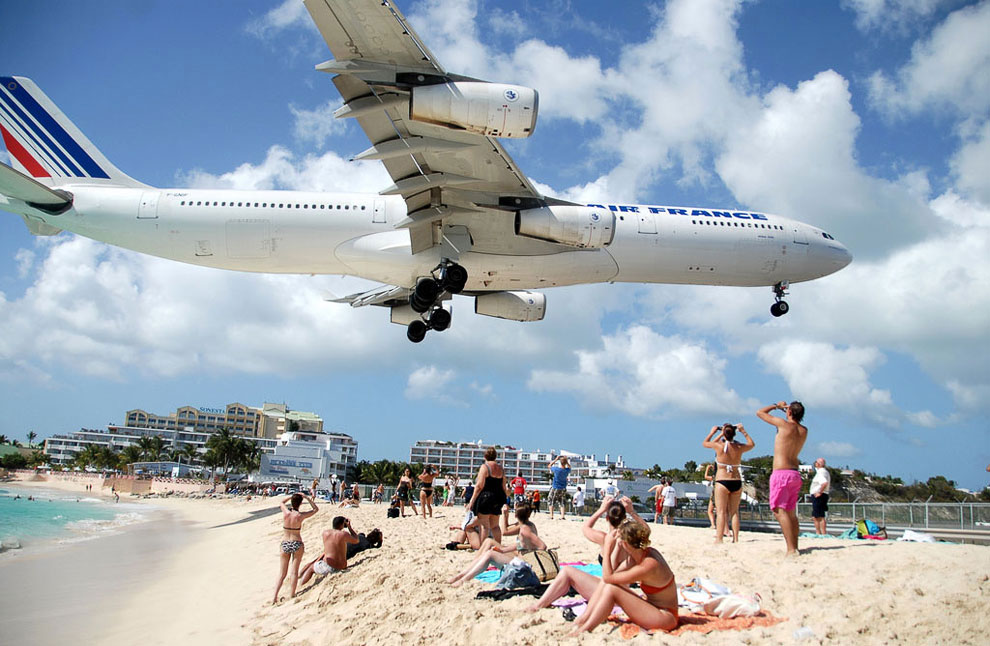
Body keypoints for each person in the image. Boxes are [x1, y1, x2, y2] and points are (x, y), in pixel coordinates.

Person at [527, 520, 678, 634]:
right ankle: (582, 619)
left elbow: (608, 578)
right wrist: (615, 548)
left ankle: (585, 628)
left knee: (612, 588)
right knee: (568, 570)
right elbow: (612, 574)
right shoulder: (638, 555)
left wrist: (608, 547)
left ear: (626, 543)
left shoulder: (648, 564)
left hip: (665, 617)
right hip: (651, 607)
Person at [447, 502, 546, 587]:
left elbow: (542, 546)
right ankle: (465, 572)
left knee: (490, 554)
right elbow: (520, 544)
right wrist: (503, 550)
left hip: (522, 563)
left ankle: (464, 579)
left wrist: (533, 559)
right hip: (519, 558)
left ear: (516, 515)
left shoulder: (525, 529)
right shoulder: (527, 525)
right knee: (488, 541)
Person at [757, 400, 808, 555]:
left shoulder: (784, 425)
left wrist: (776, 406)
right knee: (791, 512)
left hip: (781, 473)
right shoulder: (804, 430)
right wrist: (789, 410)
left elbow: (760, 413)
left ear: (790, 412)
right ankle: (795, 546)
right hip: (794, 473)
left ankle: (791, 549)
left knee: (780, 511)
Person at [703, 422, 755, 543]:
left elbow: (705, 443)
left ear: (724, 434)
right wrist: (743, 431)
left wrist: (713, 432)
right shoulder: (739, 447)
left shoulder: (719, 446)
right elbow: (752, 444)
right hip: (736, 480)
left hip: (722, 480)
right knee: (734, 512)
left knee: (721, 512)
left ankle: (720, 538)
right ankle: (735, 538)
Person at [273, 492, 319, 604]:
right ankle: (292, 594)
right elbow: (315, 509)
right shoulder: (300, 516)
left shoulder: (286, 513)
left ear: (292, 502)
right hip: (297, 542)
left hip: (285, 543)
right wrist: (307, 498)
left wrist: (292, 496)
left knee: (282, 573)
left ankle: (274, 597)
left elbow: (281, 502)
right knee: (294, 571)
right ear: (300, 503)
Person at [298, 516, 361, 586]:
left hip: (329, 566)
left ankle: (301, 585)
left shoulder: (325, 533)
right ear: (341, 525)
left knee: (311, 568)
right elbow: (356, 540)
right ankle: (301, 579)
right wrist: (350, 528)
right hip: (342, 566)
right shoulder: (343, 534)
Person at [465, 447, 509, 545]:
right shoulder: (501, 469)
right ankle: (498, 546)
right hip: (498, 497)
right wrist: (505, 501)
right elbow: (503, 486)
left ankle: (483, 547)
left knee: (484, 525)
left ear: (485, 456)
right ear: (495, 456)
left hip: (486, 498)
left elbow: (479, 486)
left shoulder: (485, 467)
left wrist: (472, 501)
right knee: (495, 526)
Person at [810, 457, 831, 535]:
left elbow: (824, 483)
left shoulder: (821, 472)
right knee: (819, 515)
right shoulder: (825, 472)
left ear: (818, 464)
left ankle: (819, 532)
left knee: (817, 516)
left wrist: (819, 492)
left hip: (819, 495)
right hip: (823, 494)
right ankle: (821, 532)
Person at [547, 456, 571, 520]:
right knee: (562, 501)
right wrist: (566, 462)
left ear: (560, 462)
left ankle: (551, 515)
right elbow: (569, 467)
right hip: (563, 488)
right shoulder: (566, 470)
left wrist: (556, 459)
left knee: (551, 500)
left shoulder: (556, 469)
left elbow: (549, 466)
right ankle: (562, 516)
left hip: (555, 487)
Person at [703, 463, 716, 529]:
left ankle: (713, 524)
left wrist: (707, 468)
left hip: (714, 494)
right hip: (721, 494)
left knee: (710, 510)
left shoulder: (714, 477)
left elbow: (705, 476)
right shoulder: (720, 476)